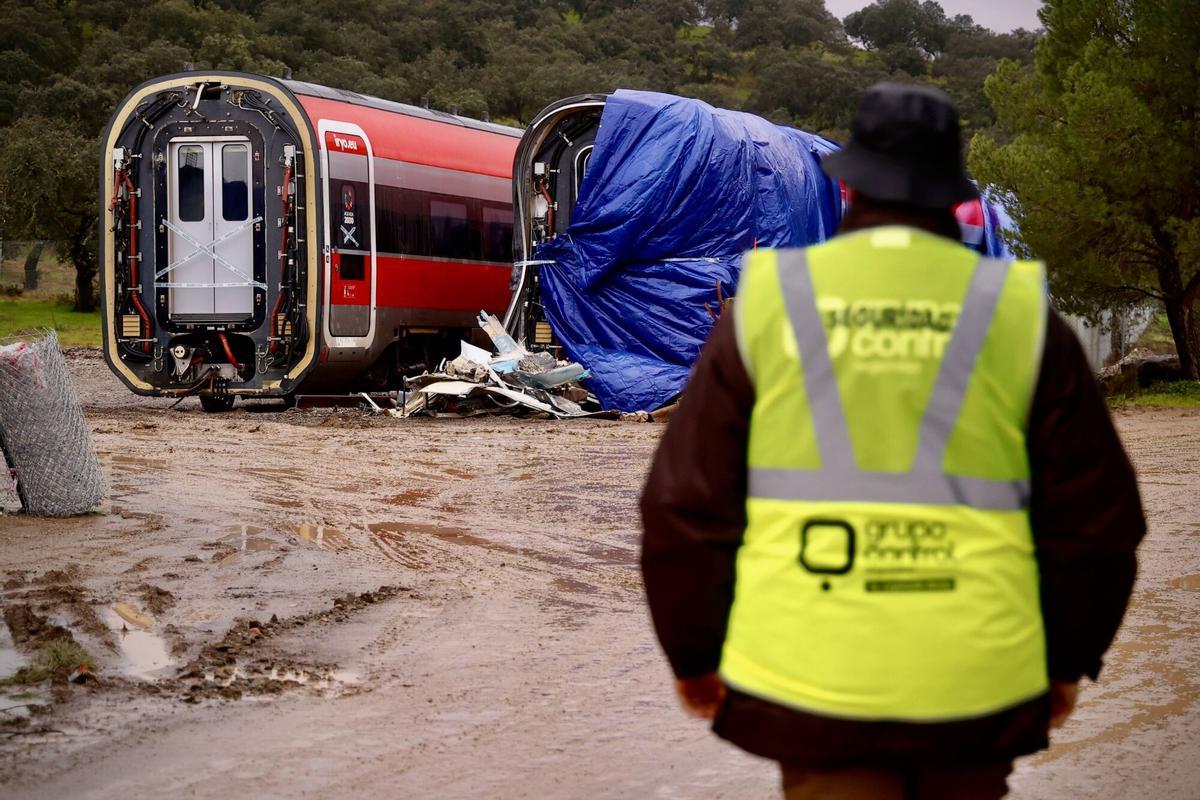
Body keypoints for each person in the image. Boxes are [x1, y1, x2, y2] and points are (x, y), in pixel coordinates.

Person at [639, 83, 1146, 800]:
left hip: (810, 683)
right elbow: (1098, 525)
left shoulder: (767, 304)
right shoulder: (1021, 315)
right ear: (951, 196)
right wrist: (1066, 661)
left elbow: (682, 510)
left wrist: (693, 657)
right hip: (975, 684)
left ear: (850, 189)